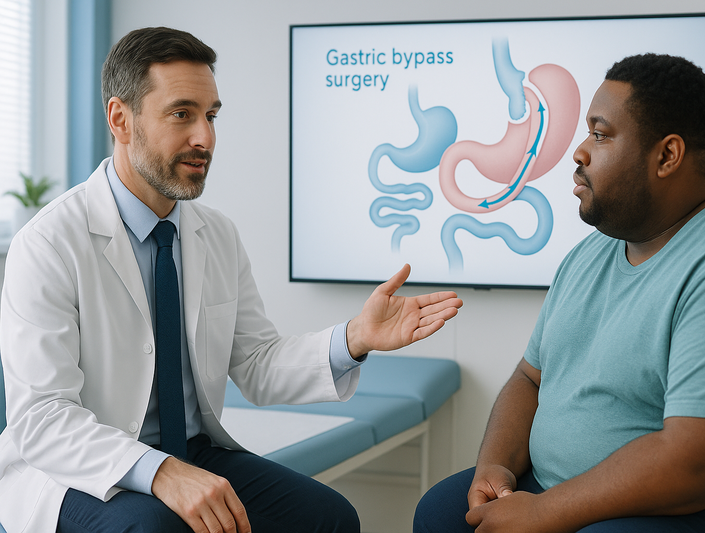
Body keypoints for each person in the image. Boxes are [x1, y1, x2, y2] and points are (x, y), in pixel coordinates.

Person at [0, 27, 462, 533]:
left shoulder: (215, 234)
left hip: (191, 452)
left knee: (329, 519)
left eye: (211, 115)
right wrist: (161, 472)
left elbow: (255, 362)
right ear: (121, 120)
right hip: (77, 472)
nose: (205, 138)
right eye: (182, 114)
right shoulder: (47, 244)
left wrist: (354, 338)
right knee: (157, 529)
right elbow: (42, 419)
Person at [414, 53, 705, 533]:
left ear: (667, 156)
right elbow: (530, 379)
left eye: (599, 134)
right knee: (440, 514)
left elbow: (698, 463)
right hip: (566, 489)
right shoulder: (592, 254)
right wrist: (496, 466)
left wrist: (545, 513)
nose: (579, 151)